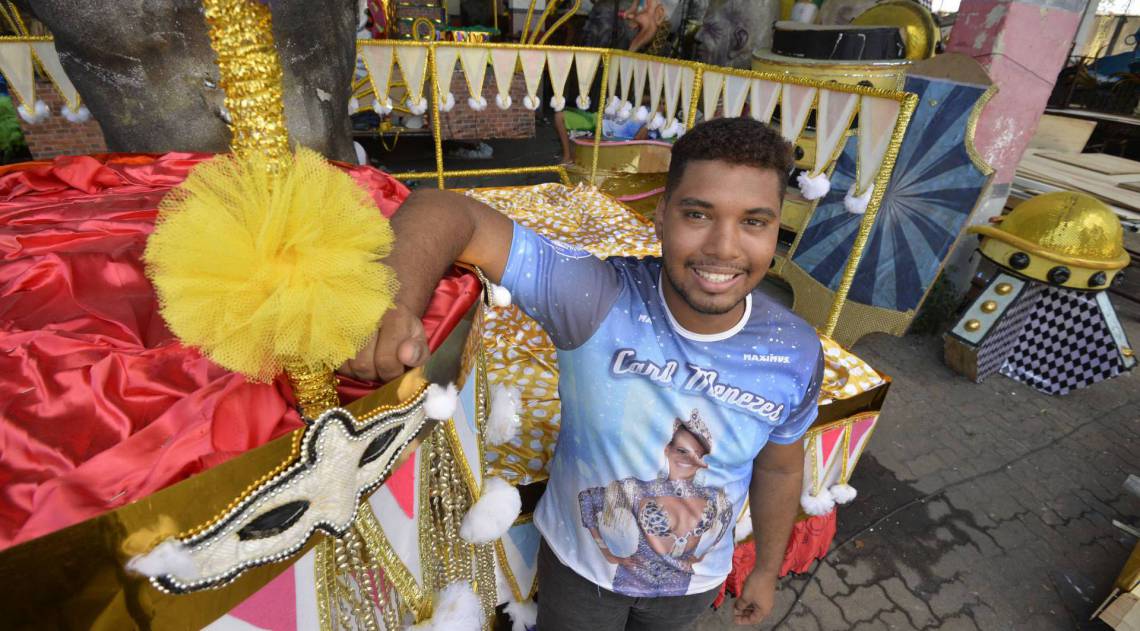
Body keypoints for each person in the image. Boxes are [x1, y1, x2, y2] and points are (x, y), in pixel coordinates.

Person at [343, 117, 824, 630]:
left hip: (693, 586)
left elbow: (778, 469)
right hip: (577, 573)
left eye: (754, 222)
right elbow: (448, 211)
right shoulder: (596, 299)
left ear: (777, 228)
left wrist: (765, 570)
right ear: (661, 216)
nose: (724, 247)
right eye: (698, 214)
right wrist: (391, 300)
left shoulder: (793, 353)